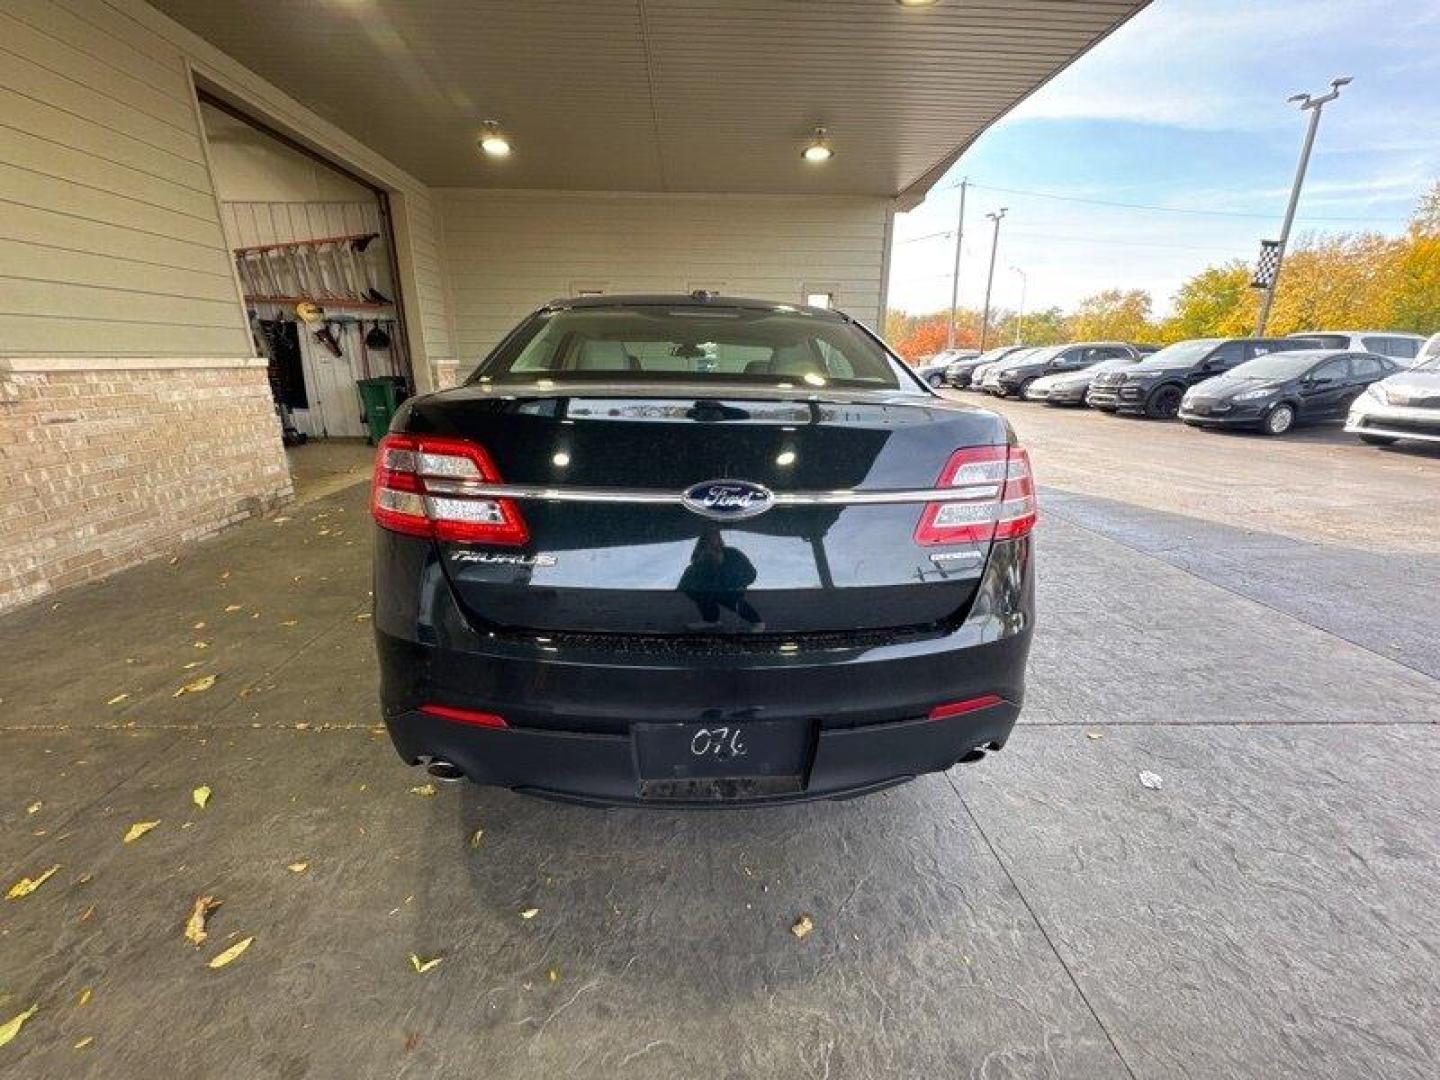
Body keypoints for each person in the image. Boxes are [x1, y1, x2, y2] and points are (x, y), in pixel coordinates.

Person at [679, 527, 765, 631]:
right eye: (706, 539)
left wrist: (738, 584)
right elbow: (689, 579)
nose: (711, 541)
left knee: (733, 600)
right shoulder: (700, 556)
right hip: (709, 589)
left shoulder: (732, 553)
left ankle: (757, 622)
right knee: (703, 594)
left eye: (714, 537)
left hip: (729, 589)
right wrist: (701, 563)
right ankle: (711, 620)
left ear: (719, 538)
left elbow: (750, 572)